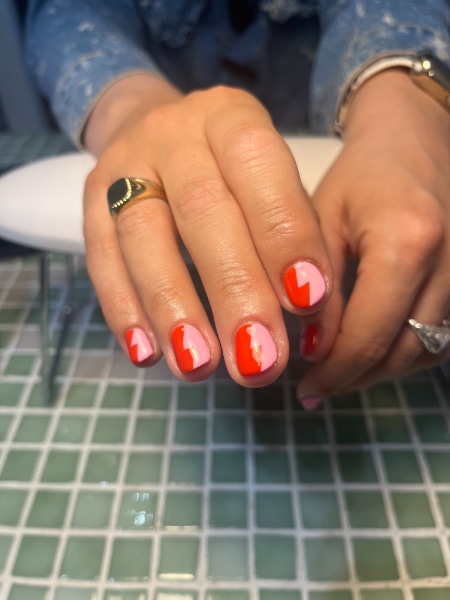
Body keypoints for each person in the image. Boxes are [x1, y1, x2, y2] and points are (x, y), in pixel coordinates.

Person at [25, 0, 450, 408]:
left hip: (341, 143)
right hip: (156, 118)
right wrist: (127, 108)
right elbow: (68, 11)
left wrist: (402, 95)